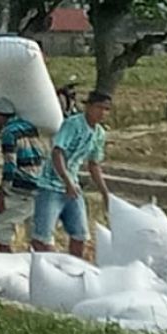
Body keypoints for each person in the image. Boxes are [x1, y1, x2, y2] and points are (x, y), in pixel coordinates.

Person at [31, 91, 112, 257]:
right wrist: (66, 180)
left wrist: (105, 192)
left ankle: (74, 269)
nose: (102, 113)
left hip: (72, 187)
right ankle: (50, 267)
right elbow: (57, 152)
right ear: (88, 107)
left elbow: (94, 164)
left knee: (80, 234)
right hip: (51, 185)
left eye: (106, 109)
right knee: (42, 237)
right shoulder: (73, 124)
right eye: (99, 107)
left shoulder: (99, 133)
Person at [0, 97, 44, 253]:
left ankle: (8, 259)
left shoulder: (8, 133)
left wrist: (2, 192)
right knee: (36, 233)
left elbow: (10, 165)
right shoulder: (29, 126)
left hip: (22, 186)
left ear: (0, 116)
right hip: (40, 184)